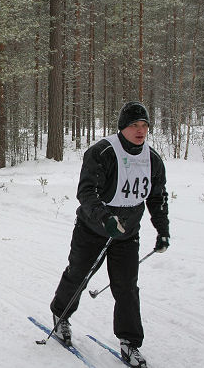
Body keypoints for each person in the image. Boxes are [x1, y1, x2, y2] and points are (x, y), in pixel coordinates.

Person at [48, 101, 169, 368]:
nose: (140, 131)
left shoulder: (153, 159)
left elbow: (157, 197)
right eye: (134, 125)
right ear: (122, 128)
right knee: (79, 274)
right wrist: (105, 218)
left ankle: (130, 342)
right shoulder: (103, 152)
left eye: (144, 125)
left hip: (127, 235)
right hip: (92, 230)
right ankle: (61, 316)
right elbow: (86, 193)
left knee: (126, 287)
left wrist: (163, 231)